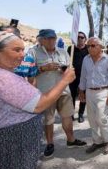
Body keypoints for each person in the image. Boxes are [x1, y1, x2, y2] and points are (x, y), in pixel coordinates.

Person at [0, 32, 76, 169]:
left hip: (11, 146)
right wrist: (64, 81)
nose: (22, 55)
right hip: (7, 148)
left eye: (22, 50)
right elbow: (39, 105)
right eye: (16, 50)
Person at [27, 29, 86, 158]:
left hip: (64, 91)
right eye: (48, 38)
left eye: (53, 38)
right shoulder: (33, 52)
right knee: (48, 119)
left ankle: (71, 140)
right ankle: (50, 143)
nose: (51, 41)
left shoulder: (64, 52)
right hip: (45, 93)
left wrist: (65, 70)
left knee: (67, 116)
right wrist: (43, 68)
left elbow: (70, 71)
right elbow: (27, 72)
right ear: (40, 40)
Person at [79, 37, 108, 155]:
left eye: (92, 45)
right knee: (91, 118)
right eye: (88, 46)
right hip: (89, 92)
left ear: (100, 47)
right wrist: (81, 91)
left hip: (103, 91)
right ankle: (97, 141)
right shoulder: (86, 59)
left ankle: (107, 141)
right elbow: (83, 76)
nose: (89, 48)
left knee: (101, 117)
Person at [67, 31, 89, 123]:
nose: (79, 39)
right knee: (71, 96)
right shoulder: (70, 48)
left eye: (82, 37)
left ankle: (81, 114)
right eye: (78, 37)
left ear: (85, 39)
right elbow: (67, 61)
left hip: (84, 77)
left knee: (83, 96)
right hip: (73, 77)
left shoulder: (88, 49)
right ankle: (71, 114)